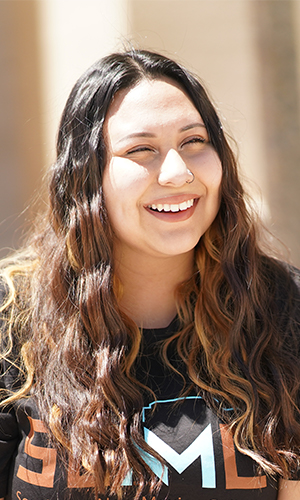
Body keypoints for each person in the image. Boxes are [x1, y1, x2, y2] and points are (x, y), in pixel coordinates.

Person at [0, 49, 300, 500]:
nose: (178, 172)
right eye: (142, 150)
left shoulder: (286, 309)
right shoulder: (12, 317)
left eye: (195, 141)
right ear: (86, 176)